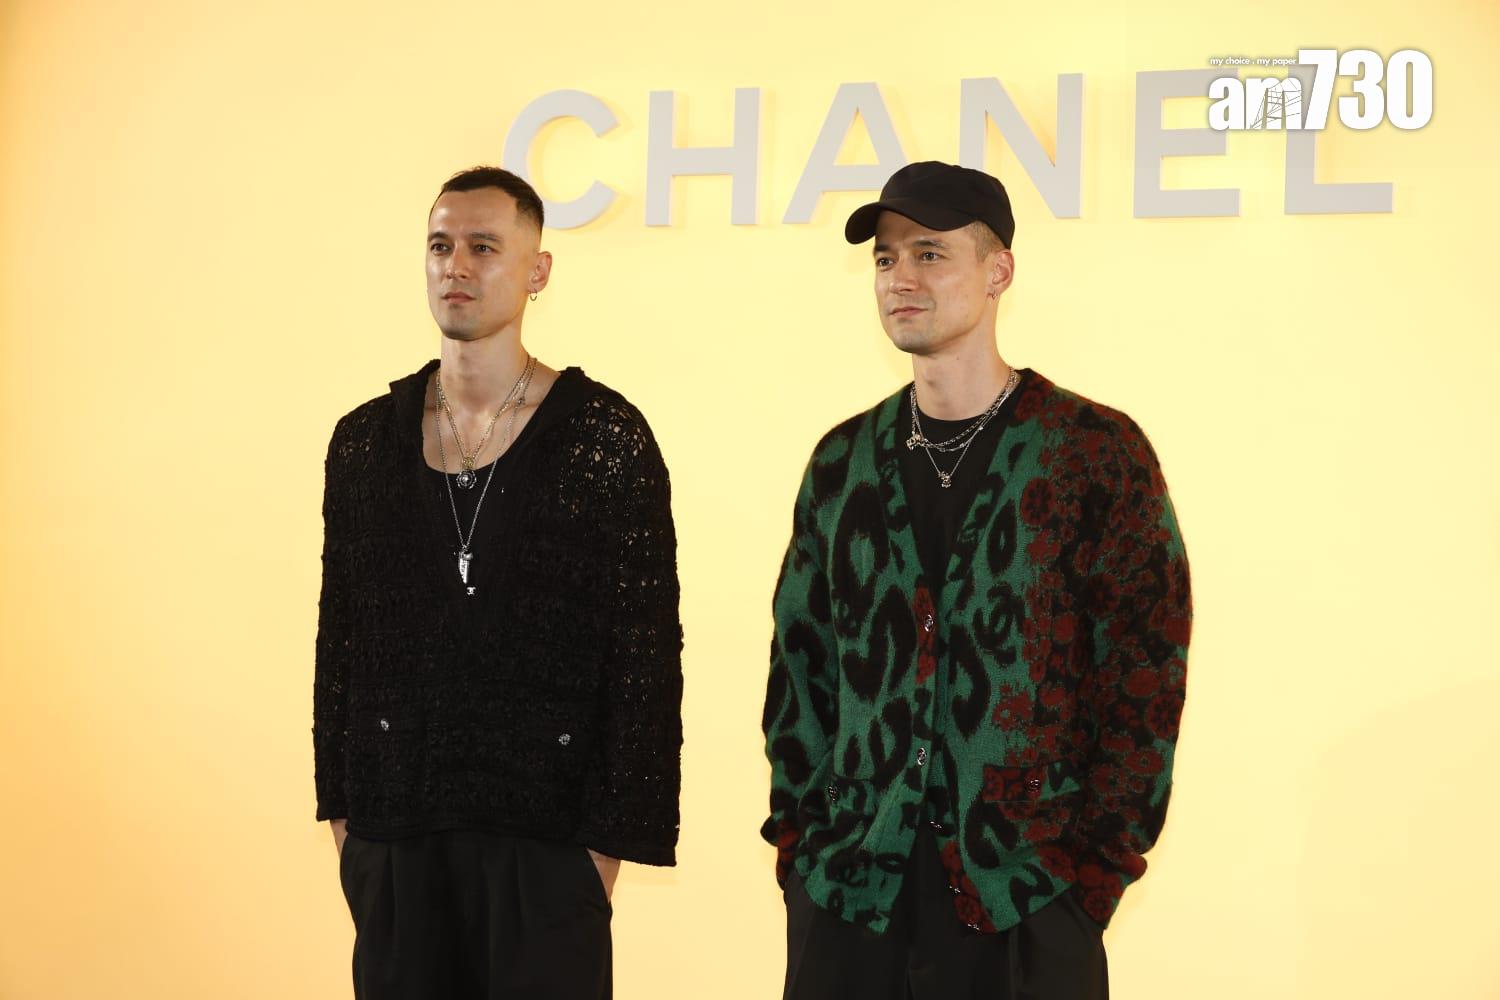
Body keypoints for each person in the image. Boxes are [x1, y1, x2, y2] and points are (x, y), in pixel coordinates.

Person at [761, 161, 1192, 999]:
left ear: (999, 271)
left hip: (1025, 895)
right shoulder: (842, 462)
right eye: (885, 258)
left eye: (929, 254)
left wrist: (1088, 881)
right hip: (851, 899)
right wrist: (802, 849)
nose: (900, 278)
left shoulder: (1093, 453)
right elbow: (798, 670)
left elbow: (1146, 673)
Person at [313, 166, 683, 999]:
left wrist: (601, 856)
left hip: (546, 848)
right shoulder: (364, 443)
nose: (457, 265)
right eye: (440, 245)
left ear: (536, 271)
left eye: (484, 247)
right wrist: (347, 823)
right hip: (396, 839)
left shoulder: (604, 439)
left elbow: (644, 656)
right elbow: (341, 642)